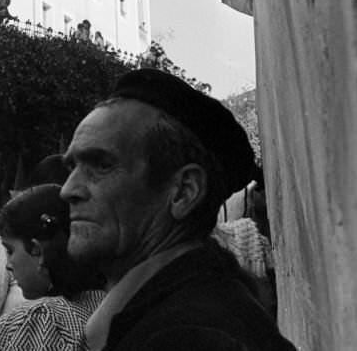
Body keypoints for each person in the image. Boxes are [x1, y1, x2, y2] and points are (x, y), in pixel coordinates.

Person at [61, 68, 296, 350]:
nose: (68, 190)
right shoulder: (174, 313)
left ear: (184, 191)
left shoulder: (189, 337)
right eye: (72, 167)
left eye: (101, 165)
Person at [0, 185, 105, 351]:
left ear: (37, 250)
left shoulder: (37, 321)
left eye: (10, 250)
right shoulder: (116, 307)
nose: (8, 264)